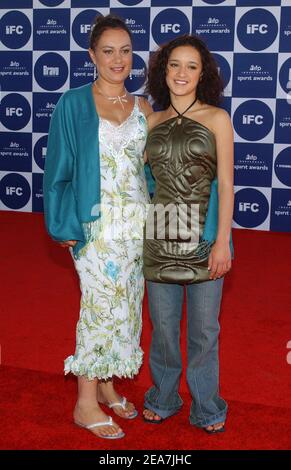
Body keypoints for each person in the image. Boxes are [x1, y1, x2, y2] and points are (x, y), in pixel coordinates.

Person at [43, 14, 152, 440]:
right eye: (108, 51)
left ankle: (107, 384)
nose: (118, 59)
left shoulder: (142, 107)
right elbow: (57, 170)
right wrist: (61, 222)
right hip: (95, 226)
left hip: (135, 225)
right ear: (92, 55)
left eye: (125, 51)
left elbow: (150, 170)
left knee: (126, 306)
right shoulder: (74, 103)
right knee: (99, 307)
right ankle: (85, 401)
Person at [142, 35, 234, 434]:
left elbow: (227, 185)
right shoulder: (150, 121)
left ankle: (207, 407)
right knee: (162, 329)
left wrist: (221, 242)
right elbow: (140, 180)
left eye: (191, 66)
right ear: (164, 71)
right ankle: (163, 397)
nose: (181, 73)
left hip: (204, 239)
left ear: (203, 74)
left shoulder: (217, 118)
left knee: (203, 331)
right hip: (159, 238)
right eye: (174, 64)